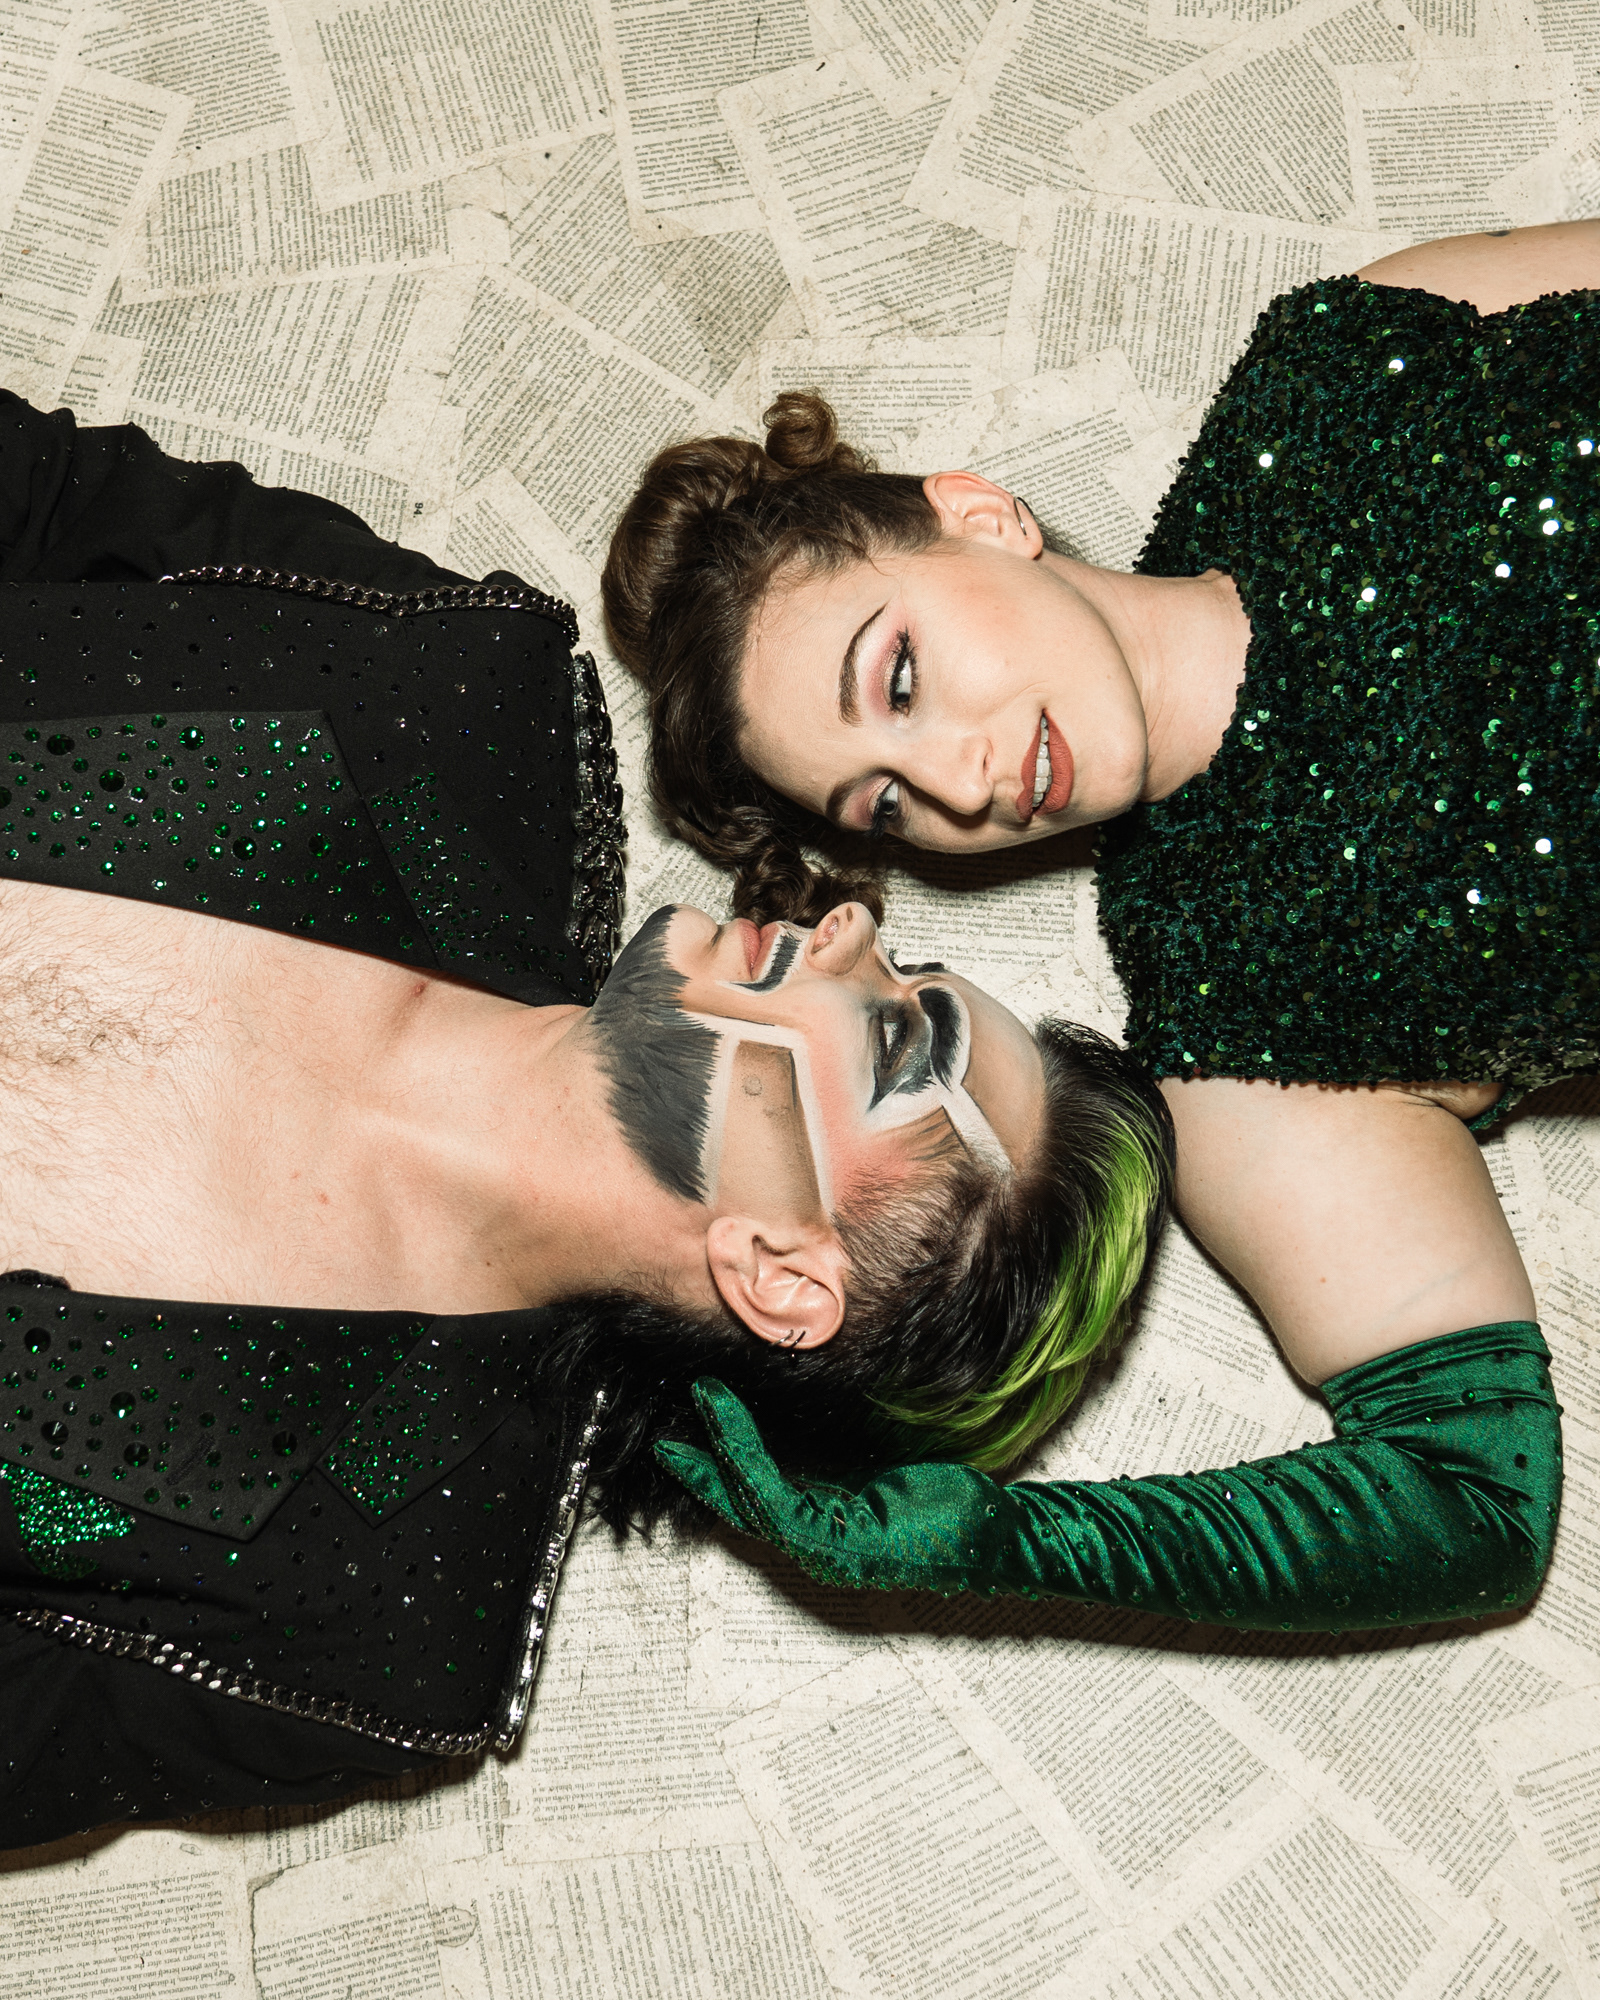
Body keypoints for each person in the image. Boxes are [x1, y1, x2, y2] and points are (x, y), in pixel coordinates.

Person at [0, 391, 1168, 1850]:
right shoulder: (460, 696)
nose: (854, 926)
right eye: (916, 964)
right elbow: (46, 490)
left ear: (782, 1273)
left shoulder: (372, 1630)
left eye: (902, 1038)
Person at [603, 223, 1584, 1624]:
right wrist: (993, 1542)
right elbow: (1470, 1494)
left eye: (899, 676)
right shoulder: (1246, 1034)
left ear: (978, 513)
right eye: (887, 802)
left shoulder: (1344, 355)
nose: (958, 782)